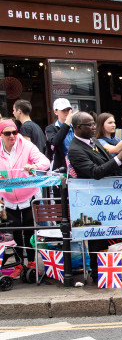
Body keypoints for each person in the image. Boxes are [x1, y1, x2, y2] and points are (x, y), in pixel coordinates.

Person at [67, 112, 122, 283]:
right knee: (96, 238)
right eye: (88, 125)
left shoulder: (94, 141)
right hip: (90, 201)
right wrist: (119, 158)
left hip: (107, 198)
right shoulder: (75, 149)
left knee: (110, 236)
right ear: (77, 128)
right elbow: (95, 172)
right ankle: (98, 274)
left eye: (93, 124)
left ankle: (113, 270)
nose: (93, 127)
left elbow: (108, 165)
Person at [0, 120, 51, 263]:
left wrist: (34, 166)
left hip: (30, 195)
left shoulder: (26, 146)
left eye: (14, 132)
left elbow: (45, 162)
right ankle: (18, 263)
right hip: (8, 197)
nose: (12, 136)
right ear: (1, 135)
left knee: (29, 230)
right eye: (7, 133)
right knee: (15, 231)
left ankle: (32, 263)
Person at [44, 98, 74, 171]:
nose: (66, 112)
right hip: (61, 167)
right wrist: (66, 124)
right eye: (63, 110)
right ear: (55, 111)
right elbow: (55, 142)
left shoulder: (75, 126)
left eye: (68, 109)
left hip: (76, 163)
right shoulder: (51, 128)